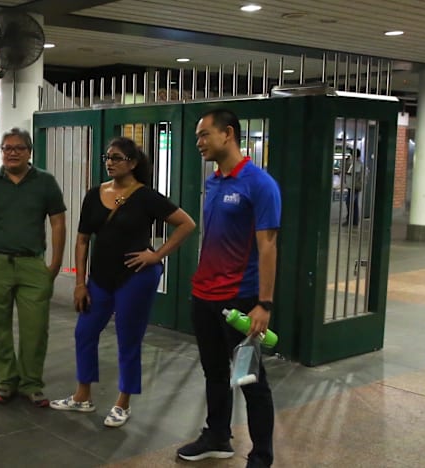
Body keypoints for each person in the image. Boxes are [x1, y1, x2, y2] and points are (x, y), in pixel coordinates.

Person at [50, 137, 195, 427]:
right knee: (84, 332)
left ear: (133, 163)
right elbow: (82, 240)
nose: (110, 162)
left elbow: (186, 224)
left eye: (116, 158)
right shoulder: (94, 195)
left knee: (128, 338)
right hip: (101, 278)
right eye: (107, 157)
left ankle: (123, 402)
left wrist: (157, 255)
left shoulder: (146, 196)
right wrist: (80, 283)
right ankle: (82, 395)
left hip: (136, 277)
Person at [177, 109, 281, 468]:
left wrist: (264, 304)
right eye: (197, 136)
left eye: (204, 134)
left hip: (240, 300)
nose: (199, 142)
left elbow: (268, 246)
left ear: (228, 134)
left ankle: (261, 456)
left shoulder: (259, 184)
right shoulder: (214, 181)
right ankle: (218, 436)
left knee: (251, 380)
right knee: (214, 373)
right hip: (204, 295)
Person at [0, 127, 66, 408]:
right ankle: (6, 381)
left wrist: (55, 263)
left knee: (36, 328)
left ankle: (31, 383)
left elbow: (58, 222)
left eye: (18, 148)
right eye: (7, 148)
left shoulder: (45, 182)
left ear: (29, 152)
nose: (12, 153)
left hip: (32, 264)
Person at [343, 149, 363, 227]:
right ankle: (355, 221)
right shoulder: (358, 163)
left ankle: (350, 220)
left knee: (349, 203)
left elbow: (349, 172)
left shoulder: (356, 163)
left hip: (353, 186)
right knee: (354, 204)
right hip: (353, 186)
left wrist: (346, 163)